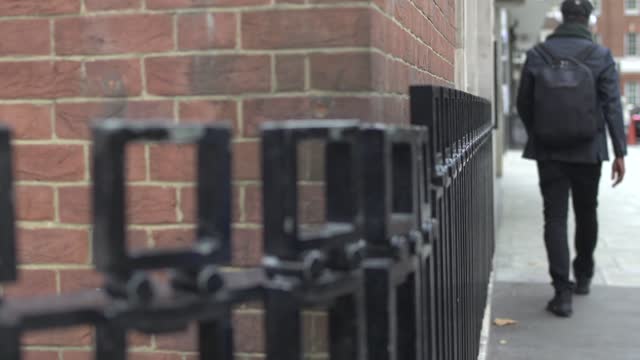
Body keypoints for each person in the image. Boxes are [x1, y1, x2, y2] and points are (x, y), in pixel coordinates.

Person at [516, 0, 627, 318]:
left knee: (554, 218)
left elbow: (525, 104)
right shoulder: (600, 55)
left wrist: (541, 132)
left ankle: (561, 293)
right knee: (586, 211)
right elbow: (612, 105)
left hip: (549, 150)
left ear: (562, 18)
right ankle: (584, 274)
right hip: (588, 149)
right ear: (589, 20)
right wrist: (619, 151)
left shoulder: (538, 54)